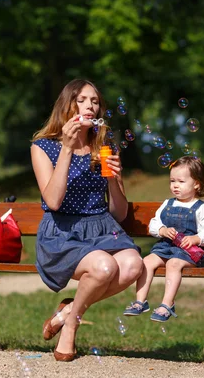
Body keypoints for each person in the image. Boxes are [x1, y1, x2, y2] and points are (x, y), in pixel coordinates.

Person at [30, 78, 143, 361]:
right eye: (82, 100)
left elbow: (118, 213)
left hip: (102, 227)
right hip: (62, 232)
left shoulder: (103, 147)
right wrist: (67, 149)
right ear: (67, 105)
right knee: (104, 267)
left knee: (133, 265)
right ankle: (71, 327)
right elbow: (53, 201)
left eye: (94, 101)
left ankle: (69, 311)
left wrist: (115, 180)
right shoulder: (43, 147)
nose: (90, 106)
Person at [123, 156, 204, 322]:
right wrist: (162, 230)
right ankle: (140, 301)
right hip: (165, 247)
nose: (175, 185)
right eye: (172, 180)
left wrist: (196, 238)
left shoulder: (201, 209)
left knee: (173, 264)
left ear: (196, 184)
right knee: (146, 261)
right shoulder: (168, 204)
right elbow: (154, 223)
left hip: (188, 252)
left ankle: (167, 304)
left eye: (181, 181)